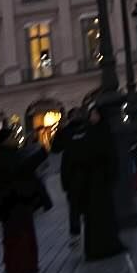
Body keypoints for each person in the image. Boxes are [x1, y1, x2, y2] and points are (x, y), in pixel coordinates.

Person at [0, 124, 50, 273]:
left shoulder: (6, 155)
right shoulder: (6, 157)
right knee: (20, 236)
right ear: (4, 141)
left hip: (13, 203)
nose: (15, 139)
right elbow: (23, 168)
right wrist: (40, 151)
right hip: (14, 203)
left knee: (18, 236)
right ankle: (21, 267)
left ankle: (21, 267)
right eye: (12, 137)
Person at [72, 103, 124, 262]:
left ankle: (100, 248)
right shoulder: (97, 131)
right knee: (97, 215)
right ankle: (100, 247)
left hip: (97, 180)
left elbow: (100, 154)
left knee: (99, 215)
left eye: (94, 113)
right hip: (95, 180)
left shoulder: (98, 132)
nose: (91, 116)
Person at [51, 111, 88, 239]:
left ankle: (75, 232)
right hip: (86, 171)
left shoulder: (65, 132)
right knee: (87, 202)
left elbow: (55, 148)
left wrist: (59, 131)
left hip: (72, 173)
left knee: (74, 206)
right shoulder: (88, 128)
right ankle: (88, 227)